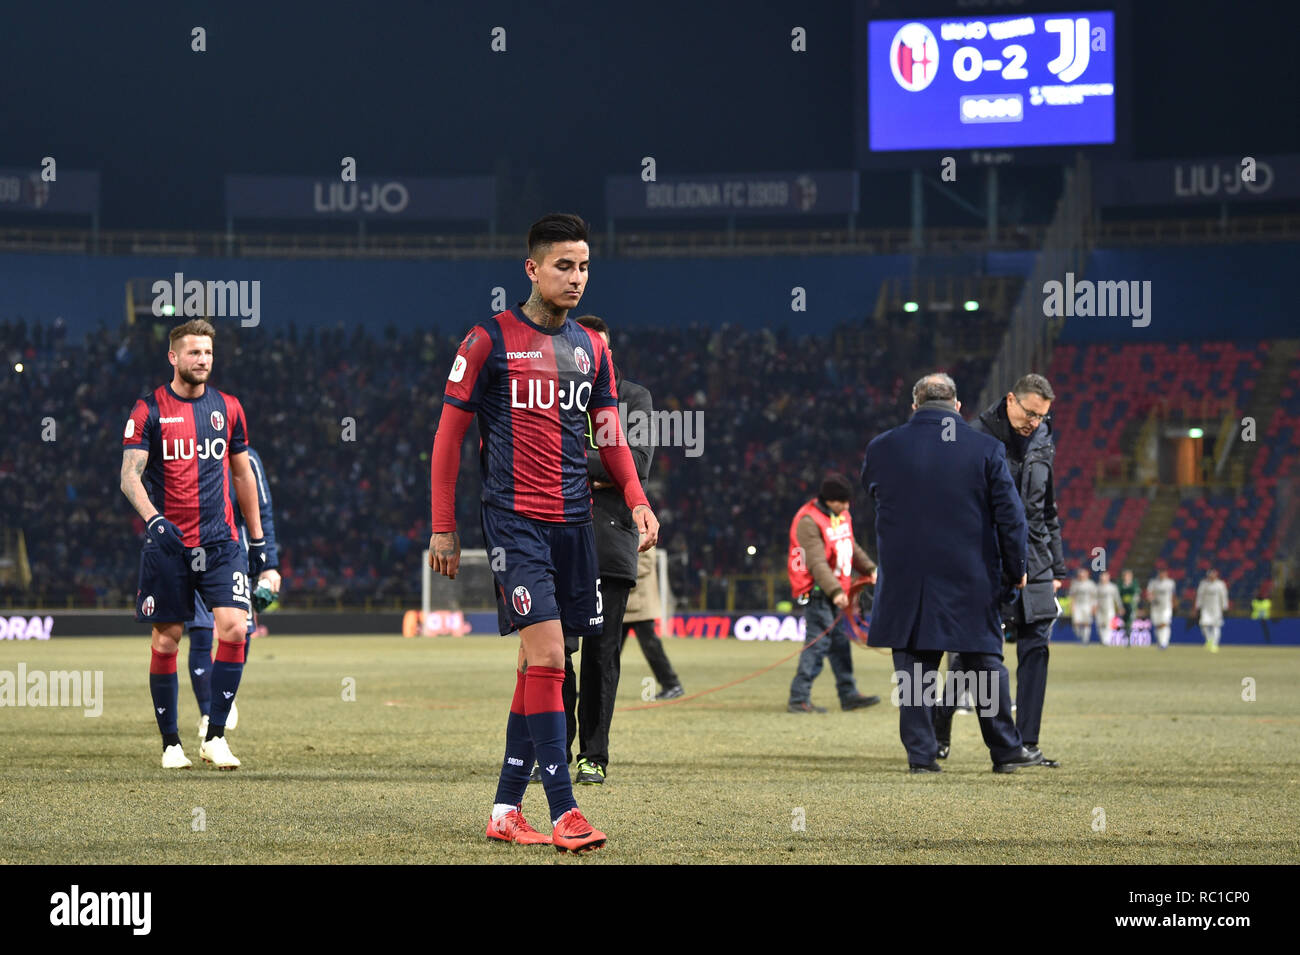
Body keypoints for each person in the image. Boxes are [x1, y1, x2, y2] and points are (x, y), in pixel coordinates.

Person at [429, 214, 659, 853]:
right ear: (531, 268)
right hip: (514, 523)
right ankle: (565, 812)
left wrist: (637, 501)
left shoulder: (593, 347)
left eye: (584, 266)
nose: (577, 277)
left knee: (541, 664)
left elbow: (610, 434)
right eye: (564, 265)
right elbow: (448, 437)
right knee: (553, 660)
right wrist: (443, 528)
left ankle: (505, 808)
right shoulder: (488, 340)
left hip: (576, 525)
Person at [862, 372, 1042, 774]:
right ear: (958, 406)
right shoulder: (986, 449)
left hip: (906, 580)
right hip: (971, 578)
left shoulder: (882, 448)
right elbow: (1011, 519)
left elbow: (872, 491)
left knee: (915, 673)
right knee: (984, 664)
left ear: (914, 406)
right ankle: (1006, 751)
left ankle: (922, 757)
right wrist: (1017, 571)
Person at [120, 319, 274, 771]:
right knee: (167, 641)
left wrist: (259, 541)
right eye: (193, 353)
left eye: (207, 353)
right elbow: (130, 476)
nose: (202, 360)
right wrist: (155, 521)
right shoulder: (148, 410)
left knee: (235, 628)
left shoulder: (229, 408)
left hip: (222, 542)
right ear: (173, 357)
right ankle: (171, 744)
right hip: (170, 545)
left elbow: (243, 474)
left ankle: (215, 735)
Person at [937, 374, 1064, 767]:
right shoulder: (976, 438)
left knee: (1036, 647)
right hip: (988, 559)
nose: (1035, 423)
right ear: (1010, 401)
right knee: (972, 653)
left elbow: (1048, 509)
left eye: (1042, 417)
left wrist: (1056, 565)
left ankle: (1027, 744)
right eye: (1030, 413)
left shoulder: (1043, 441)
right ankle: (940, 727)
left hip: (1037, 560)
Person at [558, 314, 654, 786]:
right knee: (555, 654)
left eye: (598, 348)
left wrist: (573, 458)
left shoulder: (633, 399)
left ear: (608, 353)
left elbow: (633, 465)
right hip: (555, 537)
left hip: (610, 543)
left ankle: (593, 755)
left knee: (601, 655)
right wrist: (599, 466)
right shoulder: (554, 393)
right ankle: (554, 751)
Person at [187, 445, 282, 742]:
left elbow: (263, 511)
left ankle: (221, 699)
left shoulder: (247, 458)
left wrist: (269, 565)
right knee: (200, 634)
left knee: (240, 633)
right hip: (191, 553)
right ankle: (208, 715)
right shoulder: (187, 449)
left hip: (234, 558)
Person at [785, 473, 882, 714]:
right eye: (842, 501)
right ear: (828, 500)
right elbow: (816, 562)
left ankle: (848, 695)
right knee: (817, 645)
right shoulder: (808, 520)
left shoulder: (840, 515)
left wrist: (870, 568)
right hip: (818, 592)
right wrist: (836, 591)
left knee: (839, 645)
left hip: (837, 591)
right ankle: (799, 698)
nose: (847, 506)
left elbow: (851, 546)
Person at [621, 545, 683, 699]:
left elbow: (646, 563)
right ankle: (594, 689)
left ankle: (672, 684)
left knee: (651, 647)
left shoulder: (641, 528)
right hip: (625, 604)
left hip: (641, 604)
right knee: (607, 649)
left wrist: (618, 573)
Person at [1195, 568, 1229, 652]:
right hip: (1206, 608)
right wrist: (1198, 605)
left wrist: (1224, 606)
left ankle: (1214, 644)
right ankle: (1209, 640)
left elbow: (1223, 595)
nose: (1212, 577)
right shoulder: (1203, 584)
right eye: (1210, 575)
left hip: (1216, 609)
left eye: (1214, 575)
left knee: (1216, 626)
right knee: (1204, 624)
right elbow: (1200, 595)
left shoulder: (1220, 584)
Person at [1146, 567, 1176, 649]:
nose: (1162, 575)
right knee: (1158, 625)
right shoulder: (1153, 583)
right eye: (1160, 573)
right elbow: (1149, 593)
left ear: (1166, 574)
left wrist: (1174, 604)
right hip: (1155, 608)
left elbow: (1173, 595)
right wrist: (1151, 599)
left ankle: (1164, 643)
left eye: (1163, 573)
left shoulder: (1170, 583)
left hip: (1166, 607)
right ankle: (1160, 642)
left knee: (1165, 624)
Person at [1070, 568, 1098, 644]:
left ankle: (1085, 640)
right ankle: (1079, 635)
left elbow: (1094, 596)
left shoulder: (1091, 584)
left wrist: (1094, 607)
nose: (1082, 576)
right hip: (1077, 605)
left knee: (1086, 623)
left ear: (1087, 575)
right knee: (1076, 623)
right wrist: (1072, 606)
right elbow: (1072, 596)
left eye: (1083, 575)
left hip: (1087, 605)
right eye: (1080, 575)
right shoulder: (1075, 584)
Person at [1096, 571, 1121, 644]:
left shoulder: (1113, 587)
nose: (1103, 578)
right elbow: (1094, 599)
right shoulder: (1097, 587)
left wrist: (1120, 607)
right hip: (1100, 609)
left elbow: (1117, 598)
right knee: (1100, 624)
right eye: (1102, 576)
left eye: (1105, 576)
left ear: (1108, 577)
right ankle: (1103, 639)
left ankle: (1106, 641)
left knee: (1108, 624)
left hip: (1110, 608)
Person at [1119, 568, 1141, 636]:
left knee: (1130, 619)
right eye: (1125, 576)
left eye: (1128, 576)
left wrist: (1135, 603)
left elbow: (1137, 594)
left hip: (1132, 605)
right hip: (1123, 605)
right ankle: (1127, 631)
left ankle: (1128, 633)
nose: (1127, 577)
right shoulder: (1120, 584)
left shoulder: (1134, 583)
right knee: (1125, 620)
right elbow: (1118, 595)